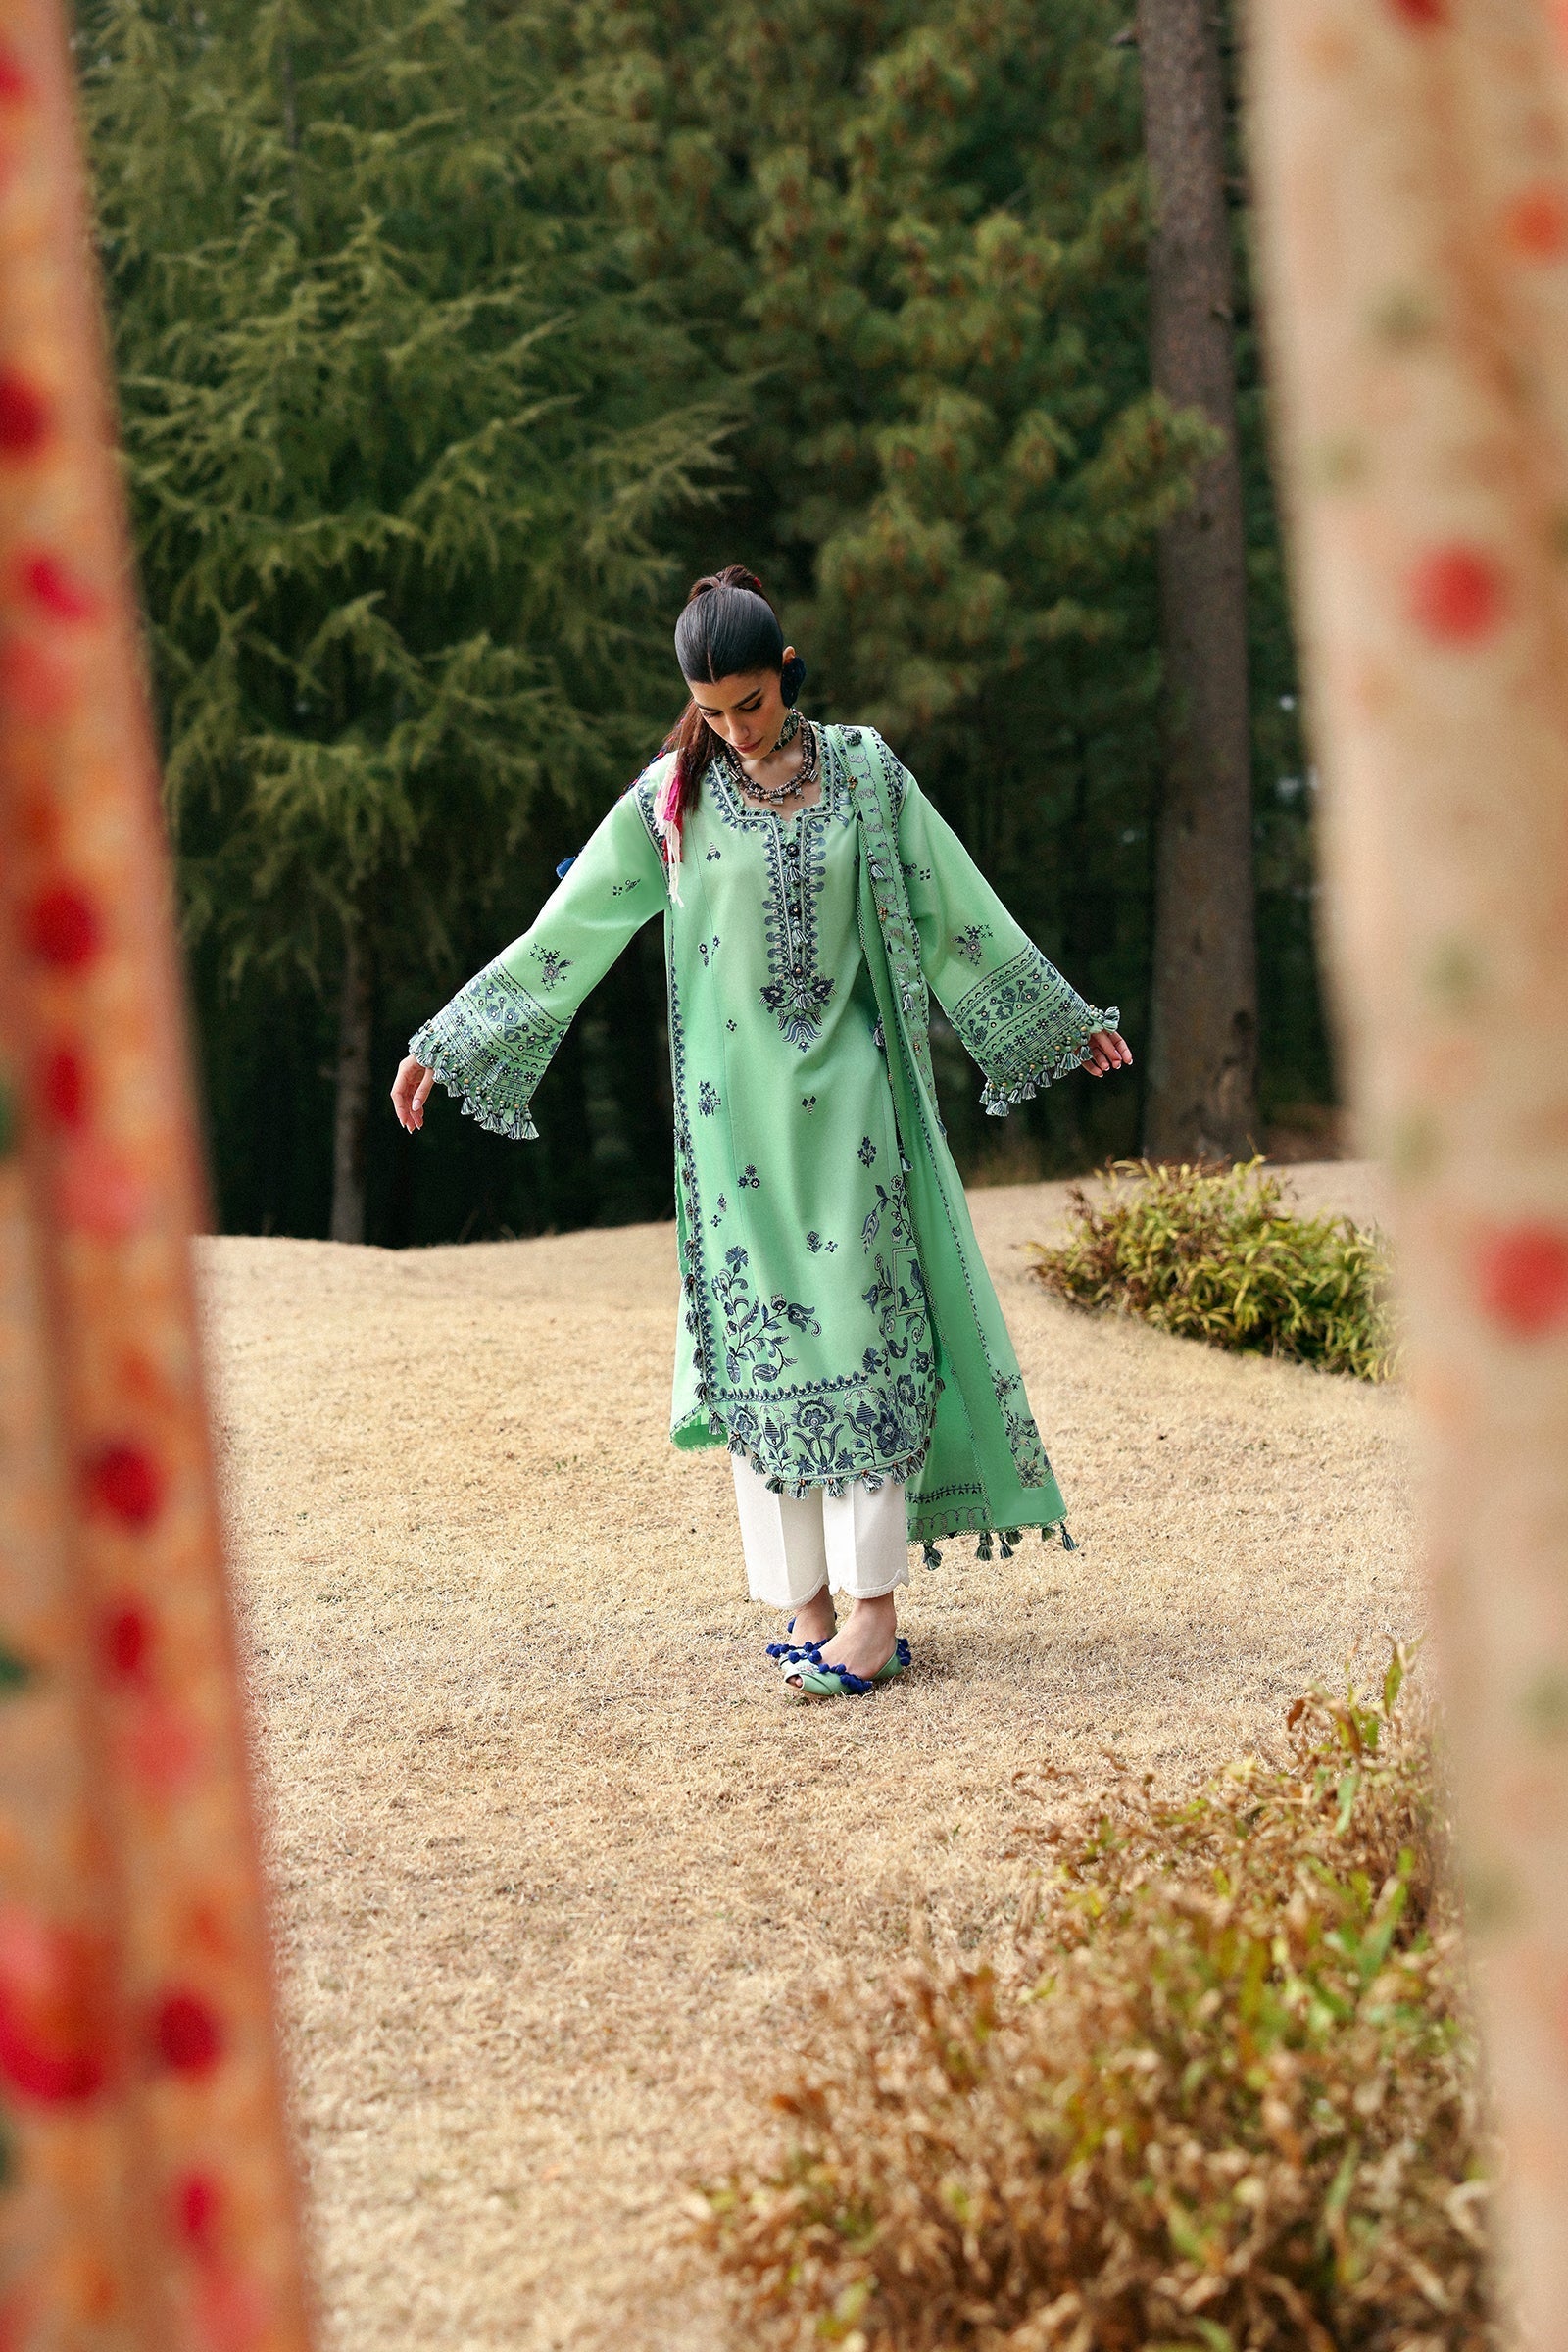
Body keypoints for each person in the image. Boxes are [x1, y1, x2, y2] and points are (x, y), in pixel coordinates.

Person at [392, 566, 1131, 1699]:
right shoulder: (669, 803)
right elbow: (569, 929)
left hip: (856, 1118)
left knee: (863, 1335)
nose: (735, 729)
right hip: (730, 1137)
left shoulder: (866, 775)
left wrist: (1053, 1019)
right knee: (763, 1349)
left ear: (787, 672)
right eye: (712, 710)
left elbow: (953, 904)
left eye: (751, 702)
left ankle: (874, 1613)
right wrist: (454, 1041)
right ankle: (807, 1604)